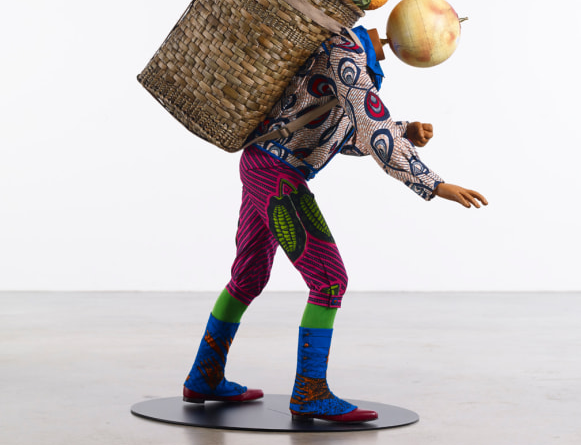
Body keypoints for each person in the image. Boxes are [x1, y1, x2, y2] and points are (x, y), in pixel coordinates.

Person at [183, 25, 488, 423]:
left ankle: (204, 377)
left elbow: (337, 134)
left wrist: (404, 132)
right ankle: (310, 392)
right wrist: (435, 183)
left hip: (263, 163)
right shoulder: (346, 54)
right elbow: (373, 130)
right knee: (329, 280)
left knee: (248, 277)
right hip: (276, 172)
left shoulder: (345, 53)